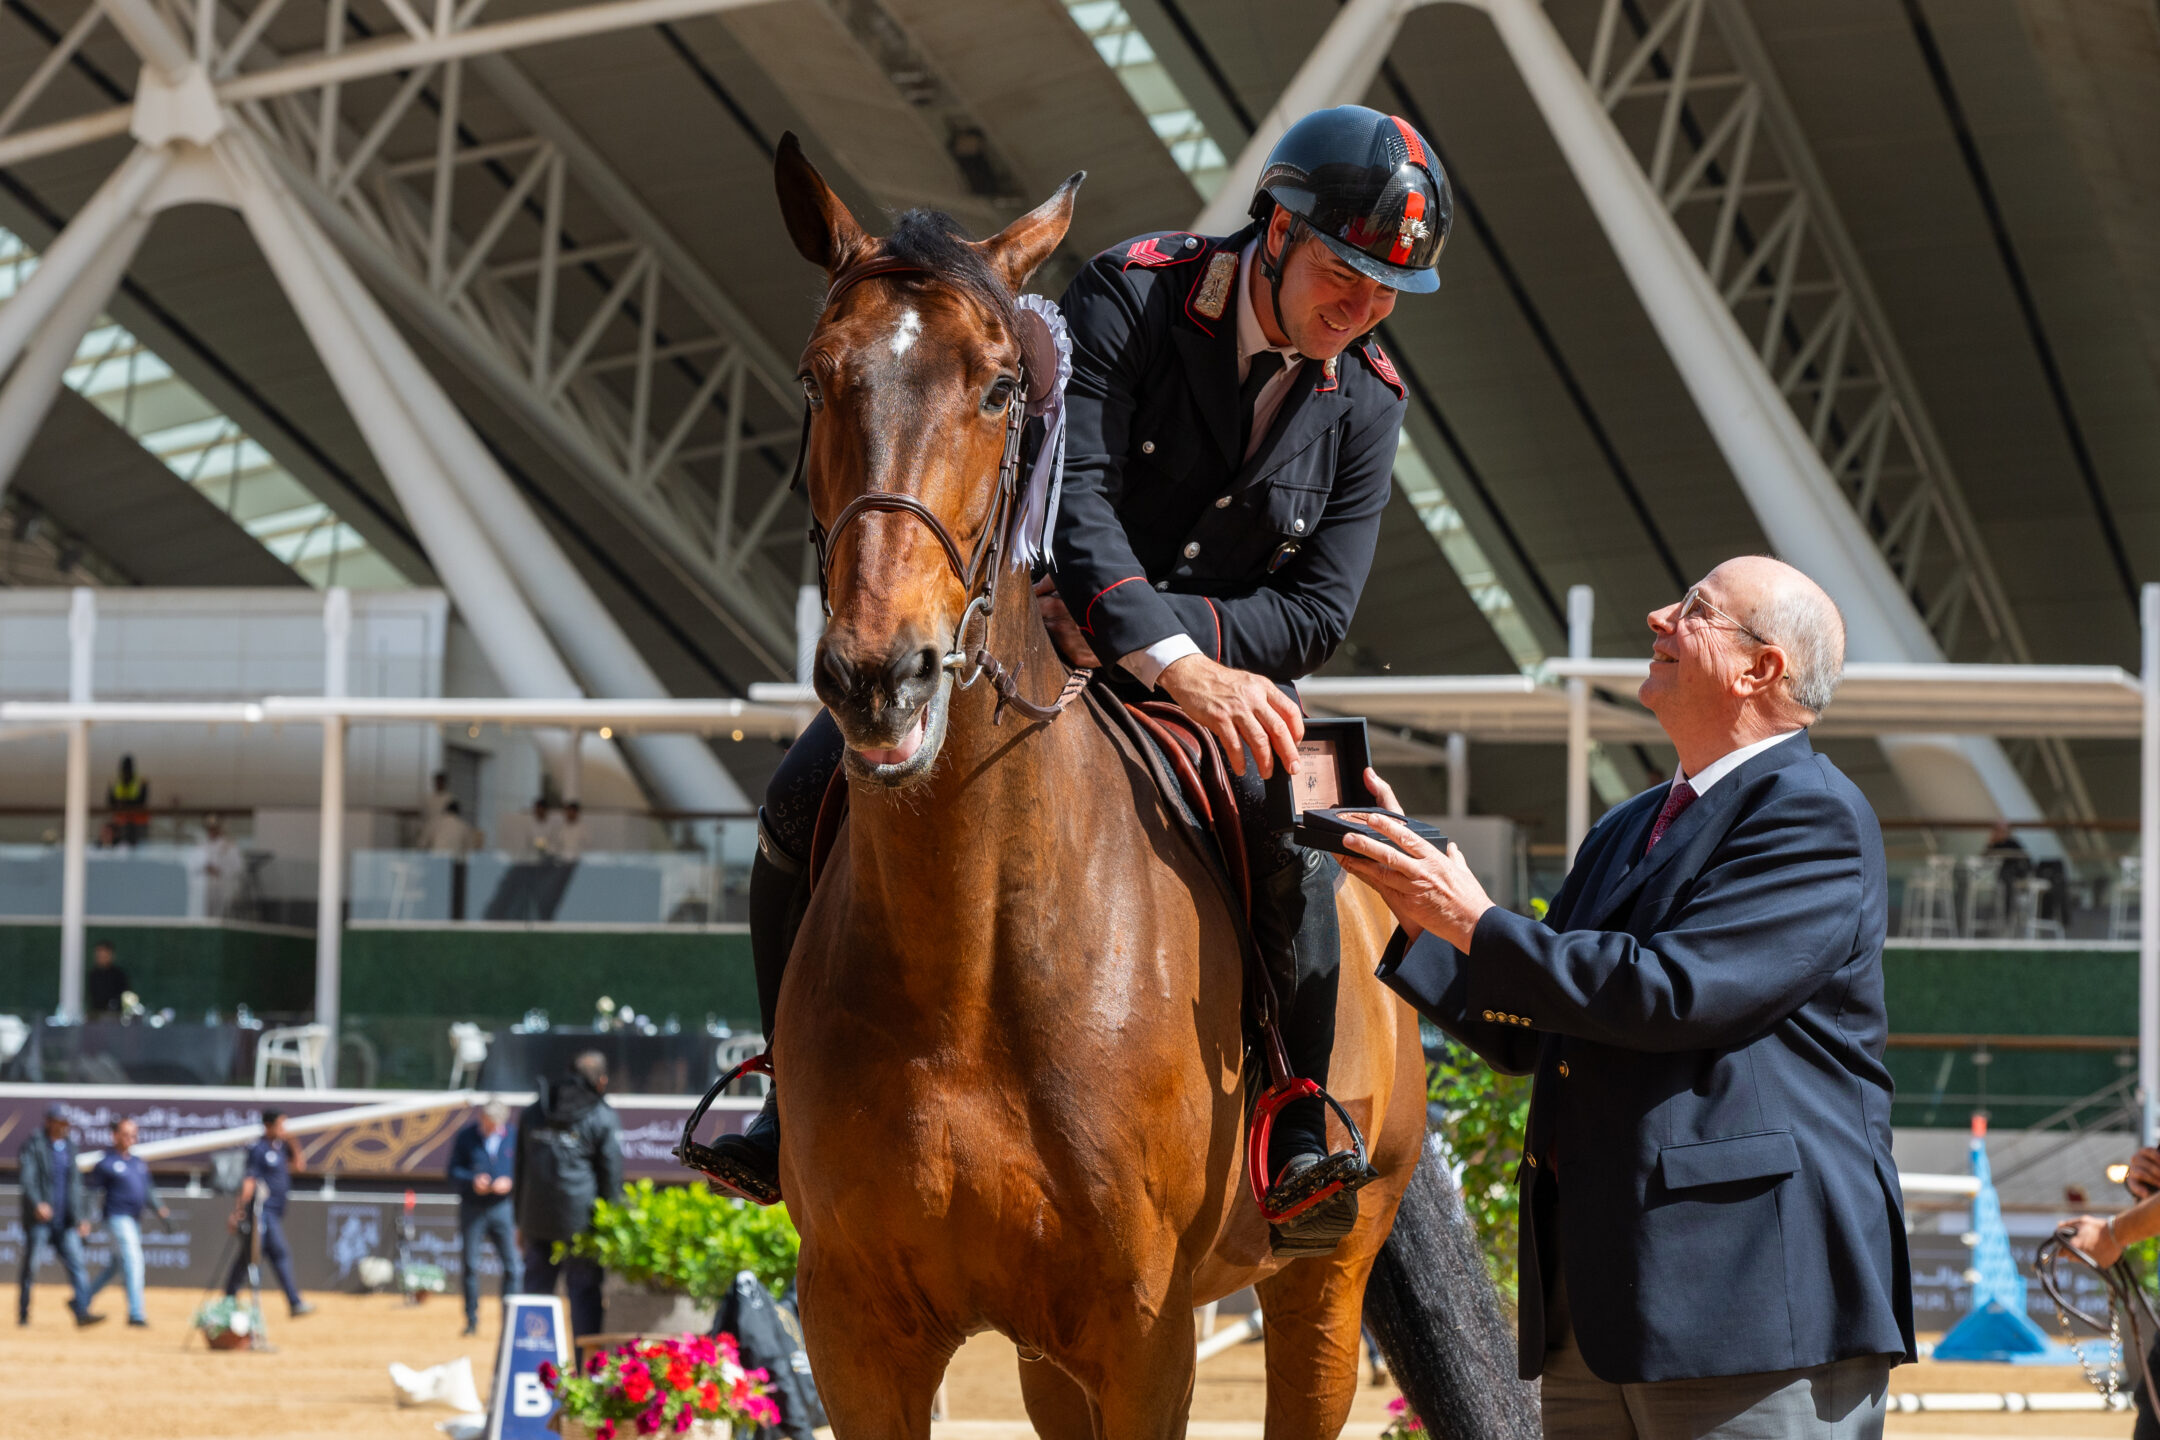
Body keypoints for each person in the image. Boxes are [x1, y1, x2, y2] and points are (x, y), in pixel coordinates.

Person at [721, 105, 1452, 1251]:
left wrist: (1191, 668)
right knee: (794, 803)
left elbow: (1319, 610)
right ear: (1276, 230)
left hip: (1227, 678)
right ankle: (781, 1096)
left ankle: (1296, 1115)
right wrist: (1153, 649)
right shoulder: (1136, 293)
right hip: (1042, 639)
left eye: (1385, 290)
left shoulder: (1370, 397)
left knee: (1291, 837)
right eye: (1343, 273)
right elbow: (1083, 502)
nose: (1362, 309)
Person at [1338, 556, 1913, 1438]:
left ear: (1763, 669)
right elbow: (1530, 1032)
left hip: (1749, 1303)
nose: (1657, 618)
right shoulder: (1626, 826)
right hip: (1598, 1304)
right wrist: (1412, 905)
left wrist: (1474, 918)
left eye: (1694, 610)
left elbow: (1675, 994)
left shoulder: (1815, 813)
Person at [515, 1051, 620, 1337]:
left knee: (534, 1299)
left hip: (536, 1223)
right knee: (585, 1299)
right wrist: (612, 1227)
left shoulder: (534, 1110)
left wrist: (519, 1222)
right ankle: (586, 1373)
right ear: (602, 1080)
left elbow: (520, 1169)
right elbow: (611, 1178)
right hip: (582, 1228)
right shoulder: (602, 1115)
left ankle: (530, 1369)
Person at [224, 1109, 315, 1318]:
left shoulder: (281, 1147)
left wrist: (292, 1140)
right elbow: (249, 1181)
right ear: (268, 1125)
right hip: (261, 1212)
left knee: (249, 1257)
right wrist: (238, 1210)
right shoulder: (258, 1149)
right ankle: (294, 1301)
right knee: (277, 1253)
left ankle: (228, 1299)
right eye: (281, 1125)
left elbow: (300, 1165)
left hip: (275, 1212)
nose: (284, 1130)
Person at [16, 1105, 100, 1326]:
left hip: (65, 1221)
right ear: (49, 1122)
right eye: (60, 1122)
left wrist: (81, 1217)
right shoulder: (34, 1144)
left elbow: (75, 1184)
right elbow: (28, 1179)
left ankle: (82, 1311)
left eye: (66, 1123)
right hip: (40, 1221)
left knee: (78, 1265)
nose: (64, 1126)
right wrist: (37, 1204)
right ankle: (23, 1313)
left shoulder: (70, 1147)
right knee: (31, 1268)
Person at [448, 1100, 522, 1337]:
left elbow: (524, 1169)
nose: (490, 1129)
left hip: (502, 1208)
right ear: (481, 1118)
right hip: (473, 1208)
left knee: (512, 1266)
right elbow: (452, 1171)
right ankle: (471, 1320)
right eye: (487, 1124)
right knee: (470, 1265)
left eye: (494, 1125)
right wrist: (473, 1180)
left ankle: (510, 1322)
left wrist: (510, 1183)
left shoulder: (514, 1136)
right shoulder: (467, 1136)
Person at [85, 1117, 167, 1327]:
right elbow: (93, 1194)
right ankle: (136, 1313)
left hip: (134, 1219)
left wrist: (161, 1211)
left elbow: (148, 1191)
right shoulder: (106, 1162)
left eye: (134, 1134)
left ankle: (82, 1298)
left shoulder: (137, 1162)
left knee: (116, 1266)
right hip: (116, 1218)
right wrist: (84, 1219)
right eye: (127, 1134)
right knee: (134, 1260)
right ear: (115, 1135)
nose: (132, 1138)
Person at [197, 815, 245, 919]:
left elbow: (238, 867)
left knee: (221, 915)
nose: (212, 831)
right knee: (204, 914)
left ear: (219, 829)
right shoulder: (201, 846)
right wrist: (205, 868)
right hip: (205, 887)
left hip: (223, 887)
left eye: (214, 828)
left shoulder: (229, 846)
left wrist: (220, 871)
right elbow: (195, 865)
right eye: (209, 828)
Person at [106, 755, 149, 847]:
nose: (126, 772)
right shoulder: (117, 782)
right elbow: (111, 802)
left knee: (137, 845)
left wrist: (124, 802)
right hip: (121, 820)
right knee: (121, 845)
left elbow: (142, 801)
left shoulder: (140, 781)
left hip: (137, 821)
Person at [85, 940, 130, 1015]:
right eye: (99, 955)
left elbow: (125, 996)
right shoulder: (93, 975)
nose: (102, 958)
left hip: (116, 1016)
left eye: (104, 955)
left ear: (111, 955)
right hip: (96, 1016)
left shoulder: (119, 975)